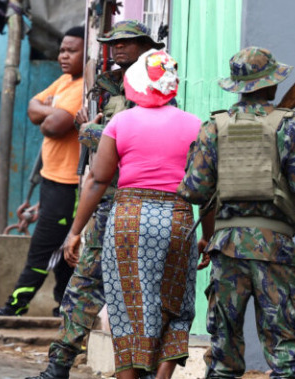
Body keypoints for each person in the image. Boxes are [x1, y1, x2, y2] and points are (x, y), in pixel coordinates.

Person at [29, 20, 163, 379]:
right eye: (113, 43)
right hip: (107, 202)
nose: (118, 48)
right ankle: (58, 366)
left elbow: (129, 139)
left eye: (127, 43)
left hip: (137, 200)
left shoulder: (156, 84)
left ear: (144, 46)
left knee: (139, 290)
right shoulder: (106, 86)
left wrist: (90, 132)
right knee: (84, 285)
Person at [65, 49, 201, 378]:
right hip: (177, 218)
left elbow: (98, 180)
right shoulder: (195, 125)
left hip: (129, 217)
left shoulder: (120, 123)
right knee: (177, 305)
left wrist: (75, 231)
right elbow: (204, 189)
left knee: (128, 306)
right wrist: (207, 235)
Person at [178, 47, 295, 378]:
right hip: (276, 248)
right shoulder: (289, 127)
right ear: (272, 83)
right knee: (285, 348)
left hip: (226, 246)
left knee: (223, 349)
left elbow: (194, 190)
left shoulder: (214, 127)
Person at [0, 26, 85, 331]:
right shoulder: (65, 80)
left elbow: (53, 126)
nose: (63, 55)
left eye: (71, 50)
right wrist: (50, 111)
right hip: (51, 181)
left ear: (85, 54)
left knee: (43, 250)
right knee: (62, 254)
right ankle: (64, 310)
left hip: (69, 186)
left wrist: (49, 112)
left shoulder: (82, 89)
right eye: (62, 49)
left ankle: (12, 310)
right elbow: (32, 108)